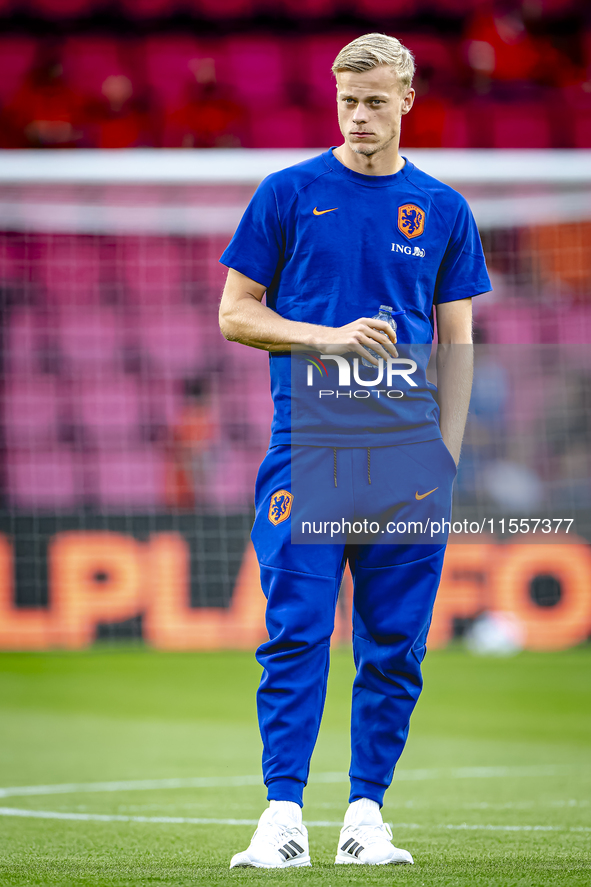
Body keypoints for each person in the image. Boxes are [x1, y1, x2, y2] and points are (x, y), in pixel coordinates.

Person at [218, 32, 491, 868]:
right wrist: (321, 338)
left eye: (374, 100)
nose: (359, 116)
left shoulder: (442, 209)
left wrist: (442, 460)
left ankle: (366, 813)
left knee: (395, 646)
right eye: (347, 101)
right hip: (310, 448)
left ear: (407, 98)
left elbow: (457, 344)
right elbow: (235, 312)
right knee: (295, 633)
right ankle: (281, 815)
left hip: (407, 462)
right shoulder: (288, 192)